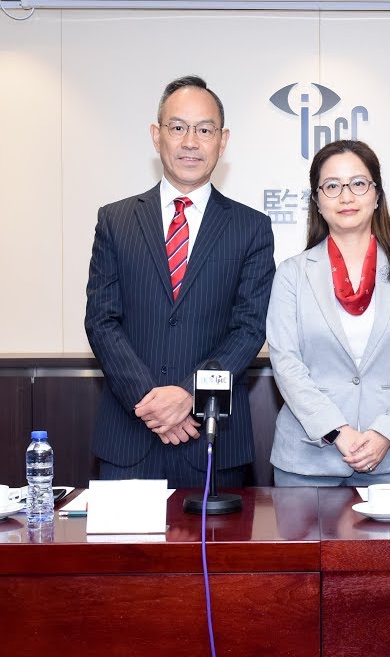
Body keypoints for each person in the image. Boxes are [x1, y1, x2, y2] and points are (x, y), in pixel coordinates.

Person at [84, 75, 275, 488]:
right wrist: (152, 404)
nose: (191, 142)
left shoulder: (251, 228)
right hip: (130, 435)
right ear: (157, 135)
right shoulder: (115, 221)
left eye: (204, 130)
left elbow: (249, 328)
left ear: (222, 141)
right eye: (178, 128)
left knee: (217, 536)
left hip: (212, 438)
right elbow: (101, 320)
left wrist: (190, 394)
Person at [266, 139, 390, 487]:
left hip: (389, 459)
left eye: (358, 183)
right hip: (307, 462)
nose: (346, 197)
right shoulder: (292, 273)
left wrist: (385, 432)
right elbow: (286, 362)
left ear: (377, 194)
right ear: (316, 201)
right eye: (332, 186)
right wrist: (336, 430)